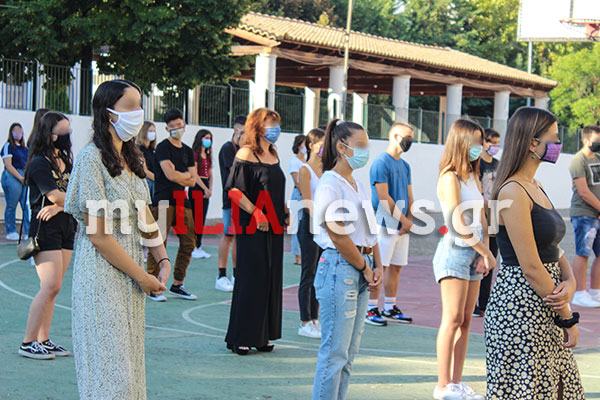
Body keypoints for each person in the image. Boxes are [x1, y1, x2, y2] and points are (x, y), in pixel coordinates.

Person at [64, 79, 171, 399]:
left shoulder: (133, 159)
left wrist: (162, 258)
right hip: (101, 276)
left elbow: (145, 215)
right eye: (131, 106)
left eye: (140, 105)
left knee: (130, 370)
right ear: (109, 114)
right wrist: (143, 276)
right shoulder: (90, 159)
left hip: (130, 277)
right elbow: (98, 235)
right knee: (112, 375)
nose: (139, 114)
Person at [486, 106, 584, 399]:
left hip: (544, 304)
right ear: (532, 142)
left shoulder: (535, 185)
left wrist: (571, 281)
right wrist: (566, 317)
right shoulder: (512, 191)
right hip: (521, 310)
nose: (558, 144)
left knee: (559, 389)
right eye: (553, 137)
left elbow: (551, 247)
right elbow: (530, 266)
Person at [311, 119, 382, 400]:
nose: (365, 150)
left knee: (348, 355)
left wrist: (377, 266)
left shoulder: (357, 184)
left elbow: (370, 231)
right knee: (335, 353)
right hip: (341, 268)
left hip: (360, 267)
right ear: (342, 147)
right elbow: (338, 236)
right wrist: (365, 267)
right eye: (360, 145)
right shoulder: (330, 184)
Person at [431, 118, 495, 400]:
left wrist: (485, 252)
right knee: (453, 318)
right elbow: (457, 222)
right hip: (455, 252)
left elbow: (483, 218)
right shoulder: (450, 177)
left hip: (475, 252)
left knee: (466, 320)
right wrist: (485, 252)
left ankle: (456, 383)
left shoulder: (473, 175)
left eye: (482, 141)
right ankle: (443, 385)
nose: (480, 147)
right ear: (461, 142)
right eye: (476, 142)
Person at [224, 108, 287, 355]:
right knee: (252, 278)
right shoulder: (245, 153)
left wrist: (284, 210)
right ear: (258, 127)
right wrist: (257, 213)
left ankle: (262, 336)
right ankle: (241, 336)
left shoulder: (274, 154)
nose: (275, 129)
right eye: (271, 124)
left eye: (277, 124)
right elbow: (234, 191)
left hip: (275, 225)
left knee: (270, 277)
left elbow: (274, 186)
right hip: (253, 225)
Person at [18, 112, 75, 360]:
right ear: (50, 134)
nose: (67, 136)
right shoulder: (39, 163)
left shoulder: (66, 160)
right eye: (62, 132)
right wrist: (62, 202)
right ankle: (28, 341)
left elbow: (75, 194)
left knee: (54, 288)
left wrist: (61, 207)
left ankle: (44, 339)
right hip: (46, 229)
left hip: (66, 226)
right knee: (50, 285)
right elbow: (55, 195)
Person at [365, 123, 414, 327]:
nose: (409, 141)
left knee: (396, 267)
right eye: (407, 137)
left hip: (401, 227)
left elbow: (409, 194)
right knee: (381, 266)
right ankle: (370, 308)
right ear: (394, 136)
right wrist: (403, 220)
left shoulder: (405, 165)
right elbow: (383, 197)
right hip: (384, 224)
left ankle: (390, 307)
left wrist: (409, 218)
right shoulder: (381, 163)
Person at [147, 107, 198, 302]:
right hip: (163, 200)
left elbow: (193, 180)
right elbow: (170, 175)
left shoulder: (187, 151)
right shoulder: (162, 148)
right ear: (167, 129)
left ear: (184, 124)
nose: (177, 128)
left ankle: (178, 283)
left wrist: (181, 175)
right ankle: (152, 284)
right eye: (173, 126)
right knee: (159, 242)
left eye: (179, 124)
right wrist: (184, 176)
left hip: (182, 200)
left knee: (189, 242)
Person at [296, 128, 325, 339]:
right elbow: (307, 201)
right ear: (311, 145)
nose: (325, 148)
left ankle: (315, 318)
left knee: (319, 274)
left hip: (323, 226)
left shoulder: (327, 169)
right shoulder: (305, 170)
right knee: (308, 273)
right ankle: (304, 321)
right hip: (309, 225)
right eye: (321, 144)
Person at [568, 125, 600, 308]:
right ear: (587, 140)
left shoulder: (598, 158)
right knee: (583, 252)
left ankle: (596, 291)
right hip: (584, 214)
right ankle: (580, 292)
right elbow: (583, 191)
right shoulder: (578, 161)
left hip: (598, 213)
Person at [473, 128, 501, 317]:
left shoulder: (498, 164)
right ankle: (474, 301)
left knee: (491, 257)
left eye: (497, 143)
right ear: (484, 143)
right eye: (492, 142)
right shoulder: (478, 164)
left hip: (495, 215)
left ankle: (484, 302)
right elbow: (477, 191)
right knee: (479, 256)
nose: (495, 146)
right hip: (481, 213)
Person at [216, 115, 246, 292]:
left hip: (243, 200)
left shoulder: (244, 149)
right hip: (230, 199)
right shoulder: (228, 148)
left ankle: (236, 273)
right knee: (228, 236)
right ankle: (221, 275)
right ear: (237, 130)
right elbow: (235, 172)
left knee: (238, 238)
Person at [2, 123, 30, 240]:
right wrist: (20, 177)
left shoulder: (25, 148)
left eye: (20, 130)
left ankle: (27, 232)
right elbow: (8, 165)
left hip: (24, 175)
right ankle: (11, 231)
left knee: (26, 205)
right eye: (15, 131)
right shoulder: (8, 146)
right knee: (12, 204)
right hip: (12, 176)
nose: (18, 133)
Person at [189, 129, 213, 260]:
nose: (208, 140)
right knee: (196, 217)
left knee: (202, 218)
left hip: (205, 186)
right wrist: (204, 188)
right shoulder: (195, 154)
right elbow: (195, 174)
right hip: (197, 186)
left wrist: (210, 188)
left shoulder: (208, 155)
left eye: (209, 138)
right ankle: (192, 246)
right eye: (205, 138)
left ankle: (198, 245)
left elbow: (210, 174)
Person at [289, 134, 306, 265]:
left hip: (306, 195)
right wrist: (305, 195)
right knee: (296, 226)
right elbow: (297, 182)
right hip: (299, 195)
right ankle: (297, 255)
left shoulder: (306, 161)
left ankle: (303, 253)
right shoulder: (294, 162)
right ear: (299, 145)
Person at [136, 121, 157, 197]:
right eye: (150, 131)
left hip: (155, 182)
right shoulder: (139, 150)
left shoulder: (153, 150)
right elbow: (144, 171)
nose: (153, 133)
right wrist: (159, 180)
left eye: (154, 131)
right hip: (148, 183)